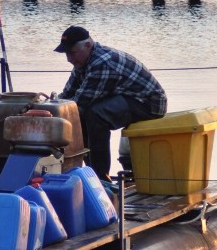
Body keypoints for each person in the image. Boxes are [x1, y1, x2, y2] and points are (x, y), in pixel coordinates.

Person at [54, 26, 167, 180]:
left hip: (148, 103)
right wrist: (49, 106)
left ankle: (100, 176)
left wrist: (54, 119)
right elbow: (67, 96)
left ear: (88, 45)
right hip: (126, 97)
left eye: (72, 52)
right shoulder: (83, 61)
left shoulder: (102, 63)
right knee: (83, 115)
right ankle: (90, 171)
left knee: (96, 115)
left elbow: (78, 105)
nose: (69, 59)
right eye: (67, 54)